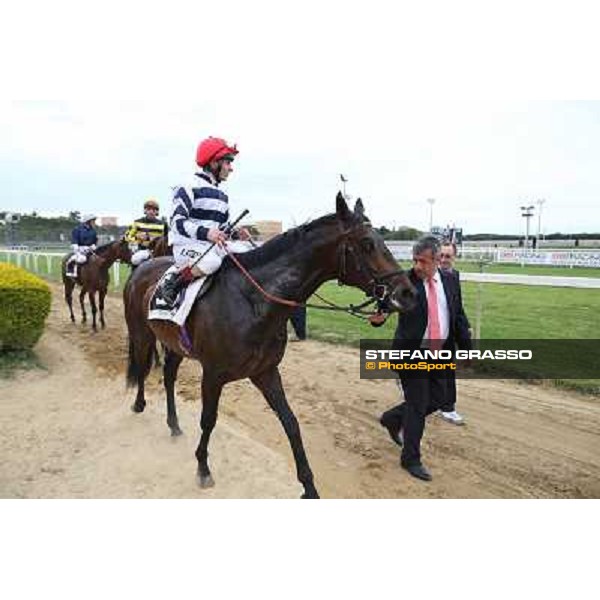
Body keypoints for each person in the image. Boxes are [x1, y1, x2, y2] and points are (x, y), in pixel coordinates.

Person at [379, 235, 472, 481]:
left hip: (439, 352)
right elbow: (389, 303)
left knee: (440, 399)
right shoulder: (405, 280)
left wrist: (466, 346)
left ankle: (392, 418)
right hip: (411, 353)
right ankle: (410, 458)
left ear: (436, 259)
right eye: (415, 260)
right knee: (418, 405)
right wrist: (381, 313)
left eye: (423, 261)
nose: (418, 266)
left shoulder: (451, 280)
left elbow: (457, 315)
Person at [154, 136, 251, 307]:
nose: (231, 168)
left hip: (211, 246)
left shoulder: (222, 195)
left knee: (247, 251)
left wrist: (236, 233)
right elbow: (177, 221)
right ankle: (173, 284)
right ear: (214, 163)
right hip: (187, 246)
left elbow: (221, 229)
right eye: (228, 163)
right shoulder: (188, 186)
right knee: (212, 262)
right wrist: (207, 233)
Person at [438, 241, 471, 426]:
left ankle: (448, 408)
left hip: (448, 331)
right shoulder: (431, 276)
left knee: (447, 369)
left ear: (454, 258)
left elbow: (457, 305)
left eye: (447, 256)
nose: (443, 260)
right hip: (431, 331)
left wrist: (466, 325)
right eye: (441, 256)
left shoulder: (454, 276)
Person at [125, 199, 169, 267]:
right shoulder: (137, 222)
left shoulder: (163, 224)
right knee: (135, 260)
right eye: (148, 209)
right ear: (145, 211)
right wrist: (137, 237)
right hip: (143, 250)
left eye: (154, 210)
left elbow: (168, 239)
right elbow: (127, 237)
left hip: (159, 252)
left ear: (157, 212)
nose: (151, 212)